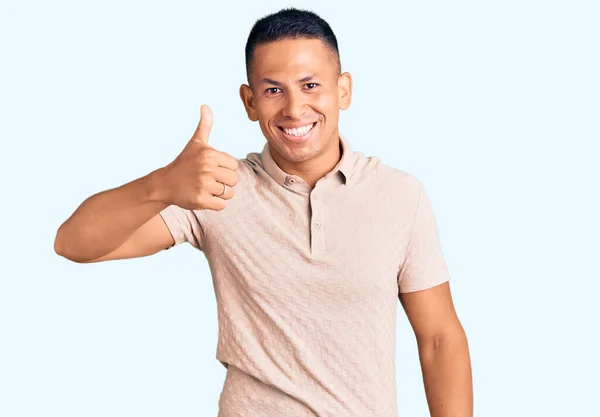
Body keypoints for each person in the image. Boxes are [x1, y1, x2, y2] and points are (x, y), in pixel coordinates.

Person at [54, 7, 473, 417]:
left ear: (343, 89)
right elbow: (74, 243)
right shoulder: (217, 190)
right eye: (273, 90)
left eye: (310, 86)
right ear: (249, 101)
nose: (294, 108)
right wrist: (161, 184)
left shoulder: (400, 195)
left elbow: (438, 338)